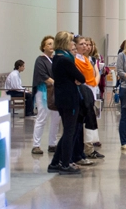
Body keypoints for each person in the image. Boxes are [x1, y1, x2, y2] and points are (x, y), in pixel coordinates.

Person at [48, 32, 85, 175]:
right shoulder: (65, 59)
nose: (74, 44)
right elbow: (81, 77)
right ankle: (65, 163)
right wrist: (76, 79)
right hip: (69, 99)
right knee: (70, 131)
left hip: (63, 98)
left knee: (68, 131)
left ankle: (55, 162)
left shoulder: (57, 58)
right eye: (71, 41)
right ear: (65, 42)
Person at [73, 36, 104, 161]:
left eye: (87, 44)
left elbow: (94, 74)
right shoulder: (75, 59)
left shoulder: (87, 59)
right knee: (81, 124)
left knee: (90, 120)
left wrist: (95, 82)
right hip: (82, 91)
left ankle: (88, 149)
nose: (86, 46)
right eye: (82, 44)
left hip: (90, 90)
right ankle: (81, 151)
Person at [31, 36, 60, 155]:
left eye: (53, 43)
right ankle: (36, 145)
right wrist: (57, 82)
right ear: (43, 47)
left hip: (56, 92)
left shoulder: (55, 59)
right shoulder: (41, 60)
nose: (51, 46)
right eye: (49, 44)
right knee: (42, 117)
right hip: (43, 91)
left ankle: (52, 143)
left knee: (56, 118)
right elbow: (43, 76)